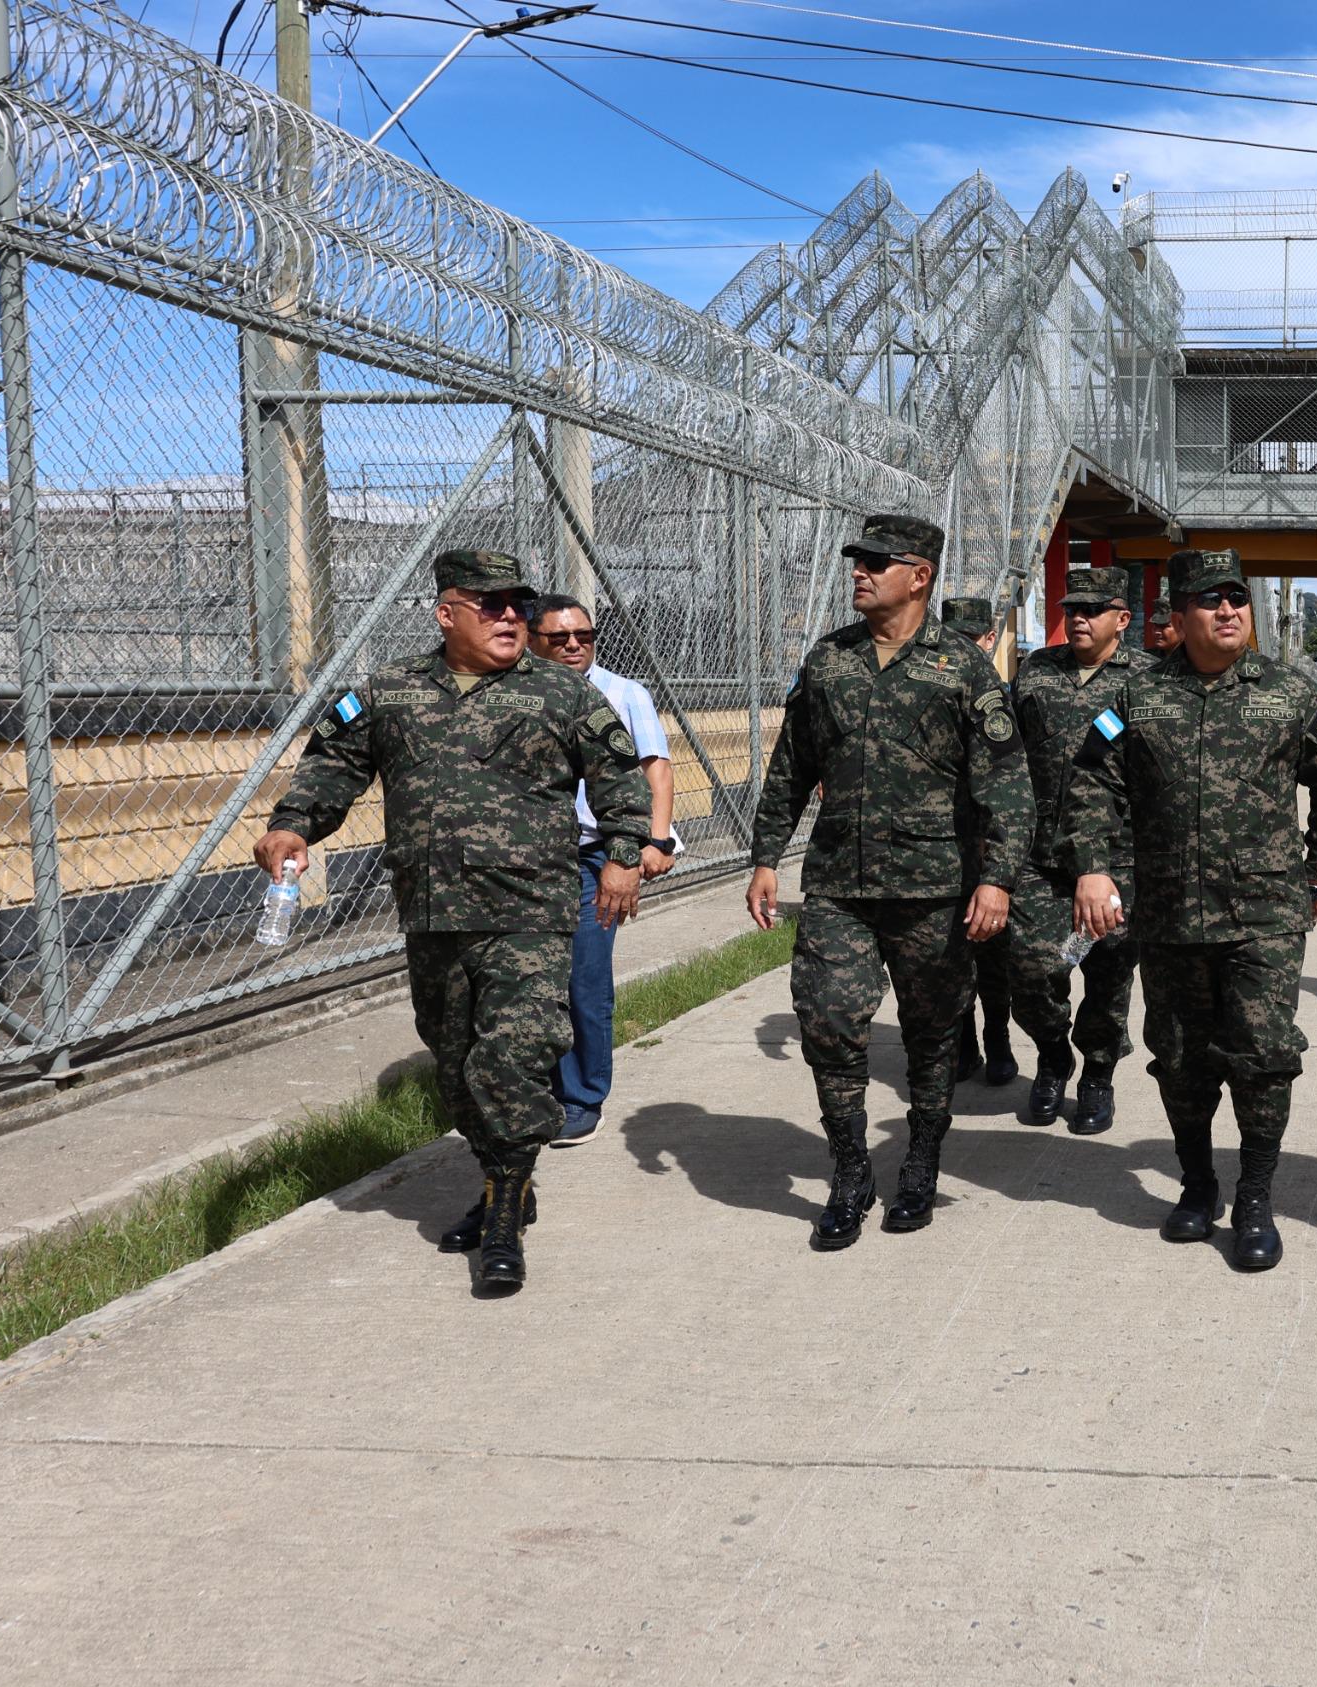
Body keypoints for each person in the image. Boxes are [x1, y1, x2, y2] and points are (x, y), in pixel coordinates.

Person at [253, 548, 649, 1292]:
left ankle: (503, 1215)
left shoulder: (561, 695)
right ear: (447, 613)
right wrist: (294, 825)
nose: (512, 618)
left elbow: (620, 778)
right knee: (459, 1061)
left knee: (516, 1055)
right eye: (492, 605)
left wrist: (626, 855)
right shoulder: (390, 692)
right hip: (433, 913)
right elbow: (333, 765)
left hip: (530, 910)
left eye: (518, 607)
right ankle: (507, 1179)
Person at [1067, 547, 1317, 1272]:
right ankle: (1198, 1185)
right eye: (1210, 599)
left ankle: (1256, 1196)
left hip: (1264, 915)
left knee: (1262, 1059)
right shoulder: (1137, 700)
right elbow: (1089, 781)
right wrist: (1095, 866)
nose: (1229, 609)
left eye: (1237, 597)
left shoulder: (1290, 694)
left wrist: (1316, 872)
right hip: (1168, 917)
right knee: (1179, 1059)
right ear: (1178, 616)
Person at [745, 514, 1031, 1250]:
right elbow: (790, 768)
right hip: (840, 883)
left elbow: (1005, 784)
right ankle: (849, 1171)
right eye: (857, 561)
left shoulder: (962, 670)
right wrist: (767, 856)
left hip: (935, 887)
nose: (860, 572)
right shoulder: (829, 661)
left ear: (920, 575)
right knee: (828, 1021)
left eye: (877, 561)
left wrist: (996, 881)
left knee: (932, 1037)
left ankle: (921, 1163)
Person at [1004, 563, 1152, 1133]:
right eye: (1073, 610)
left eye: (1093, 610)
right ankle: (1051, 1054)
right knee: (1035, 966)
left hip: (1120, 857)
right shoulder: (1038, 671)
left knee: (1110, 970)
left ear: (1122, 618)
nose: (1080, 619)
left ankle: (1096, 1072)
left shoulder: (1148, 678)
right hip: (1042, 854)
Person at [530, 594, 679, 1146]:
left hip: (595, 853)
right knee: (530, 980)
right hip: (529, 858)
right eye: (560, 638)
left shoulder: (622, 693)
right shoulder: (517, 693)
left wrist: (654, 841)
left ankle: (581, 1097)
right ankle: (535, 1088)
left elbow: (655, 770)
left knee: (583, 978)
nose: (574, 645)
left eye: (584, 637)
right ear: (530, 639)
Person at [941, 593, 1020, 1088]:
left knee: (994, 956)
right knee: (951, 954)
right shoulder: (928, 691)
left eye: (972, 640)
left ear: (990, 640)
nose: (964, 650)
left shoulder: (1007, 700)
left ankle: (998, 1039)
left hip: (993, 848)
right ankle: (965, 1043)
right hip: (945, 847)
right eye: (954, 641)